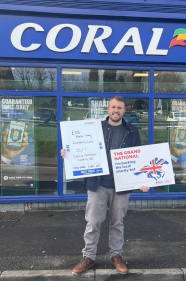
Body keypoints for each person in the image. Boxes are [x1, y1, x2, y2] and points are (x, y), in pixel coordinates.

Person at [60, 96, 149, 275]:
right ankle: (89, 256)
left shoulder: (132, 131)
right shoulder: (94, 129)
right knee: (92, 222)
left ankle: (116, 256)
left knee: (117, 222)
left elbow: (138, 159)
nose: (116, 111)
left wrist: (142, 181)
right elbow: (80, 148)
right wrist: (69, 154)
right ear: (108, 109)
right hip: (97, 184)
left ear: (124, 111)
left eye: (120, 108)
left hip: (121, 186)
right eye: (113, 107)